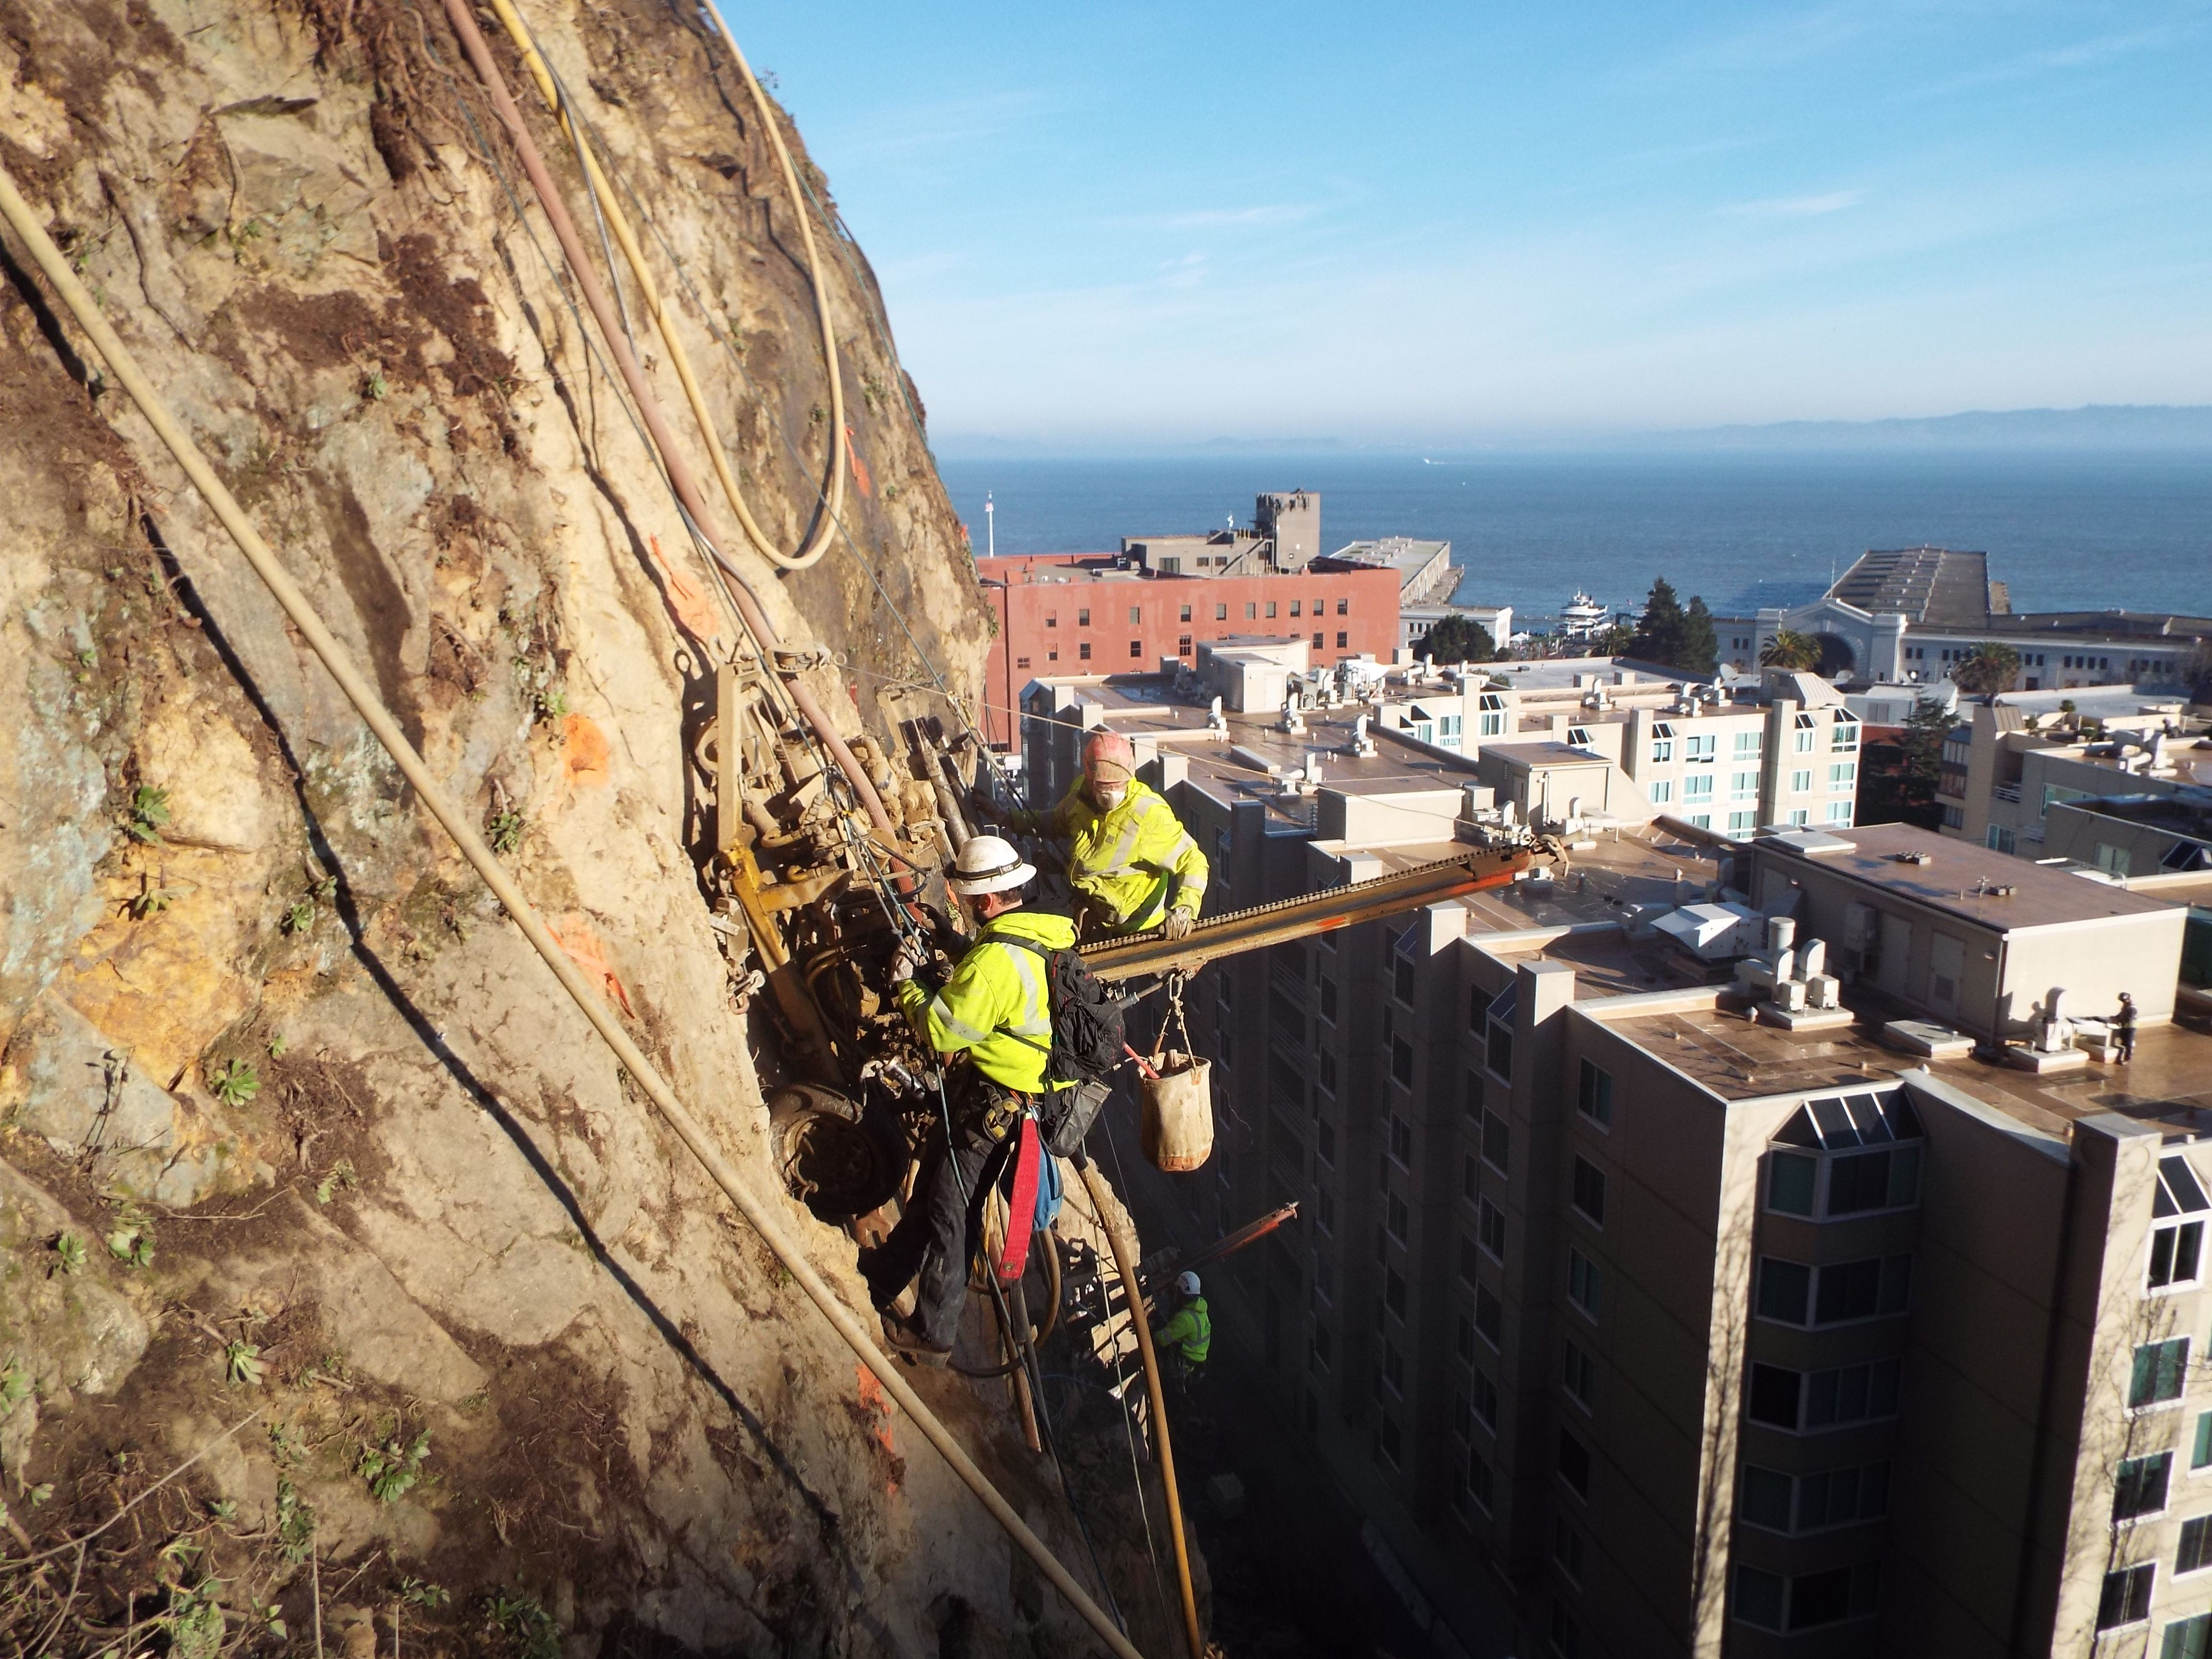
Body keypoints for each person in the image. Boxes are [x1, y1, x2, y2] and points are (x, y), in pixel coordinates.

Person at [863, 835, 1074, 1363]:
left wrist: (908, 986)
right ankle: (883, 1278)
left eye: (963, 899)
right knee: (935, 1191)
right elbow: (1002, 972)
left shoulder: (994, 963)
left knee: (952, 1211)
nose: (959, 904)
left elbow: (943, 1032)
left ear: (983, 901)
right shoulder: (1036, 935)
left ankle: (935, 1333)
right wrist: (952, 944)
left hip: (991, 1106)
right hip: (1002, 1101)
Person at [979, 730, 1208, 940]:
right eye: (1103, 786)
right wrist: (1008, 818)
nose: (1111, 795)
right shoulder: (1081, 796)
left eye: (1118, 785)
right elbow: (1056, 822)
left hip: (1136, 927)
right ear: (1090, 778)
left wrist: (1184, 910)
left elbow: (1194, 862)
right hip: (1094, 913)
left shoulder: (1148, 816)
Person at [1150, 1269, 1211, 1382]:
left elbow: (1161, 1339)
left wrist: (1150, 1327)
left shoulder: (1186, 1319)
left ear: (1180, 1292)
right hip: (1189, 1364)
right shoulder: (1199, 1309)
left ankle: (1112, 1384)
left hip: (1177, 1364)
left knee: (1142, 1376)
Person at [2115, 991, 2138, 1064]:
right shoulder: (2126, 1006)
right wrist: (2116, 1018)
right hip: (2125, 1026)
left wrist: (2120, 1020)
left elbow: (2129, 1019)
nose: (2124, 1002)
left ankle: (2127, 1059)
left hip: (2131, 1027)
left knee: (2128, 1043)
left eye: (2124, 1000)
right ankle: (2121, 1057)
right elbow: (2122, 1014)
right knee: (2124, 1042)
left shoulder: (2132, 1008)